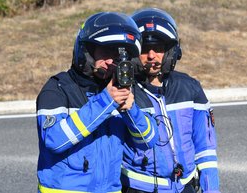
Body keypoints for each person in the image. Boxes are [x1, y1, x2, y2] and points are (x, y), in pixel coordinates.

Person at [36, 12, 158, 193]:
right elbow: (54, 140)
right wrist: (106, 102)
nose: (111, 62)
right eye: (105, 52)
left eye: (117, 56)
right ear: (87, 52)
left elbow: (149, 140)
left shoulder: (122, 90)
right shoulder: (58, 88)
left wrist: (130, 110)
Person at [121, 8, 220, 193]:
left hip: (185, 186)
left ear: (170, 51)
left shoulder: (190, 88)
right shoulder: (121, 92)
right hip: (139, 187)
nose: (151, 56)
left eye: (158, 48)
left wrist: (211, 190)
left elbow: (205, 149)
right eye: (144, 49)